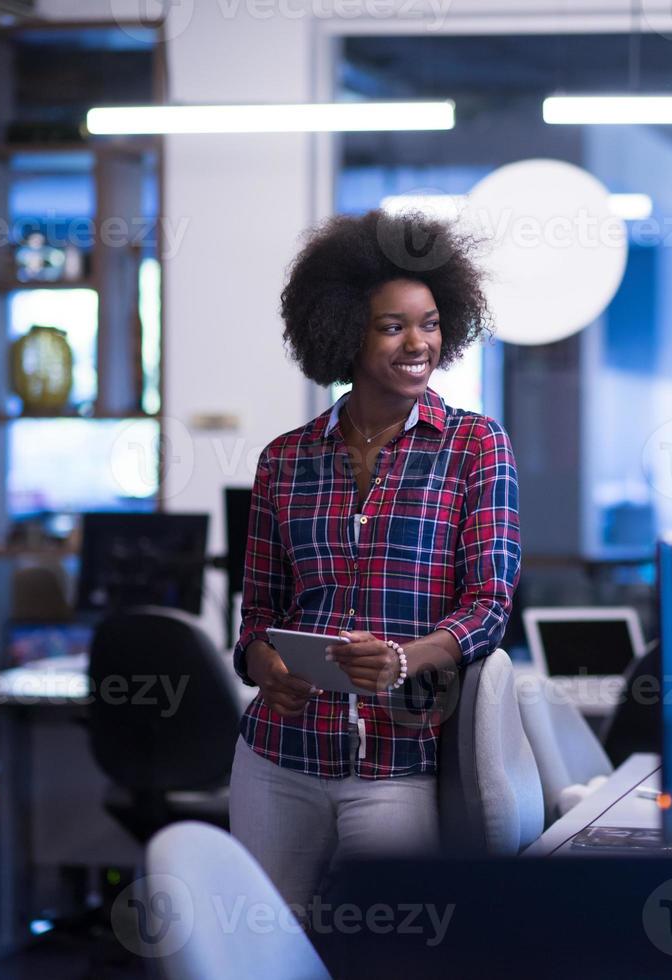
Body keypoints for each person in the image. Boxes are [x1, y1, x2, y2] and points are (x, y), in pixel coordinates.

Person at [230, 208, 521, 913]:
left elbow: (489, 605)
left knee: (388, 955)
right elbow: (257, 617)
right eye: (392, 326)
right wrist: (265, 665)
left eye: (428, 323)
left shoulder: (474, 448)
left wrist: (405, 657)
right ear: (343, 334)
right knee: (262, 949)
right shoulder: (285, 460)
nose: (417, 342)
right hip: (279, 756)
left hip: (398, 761)